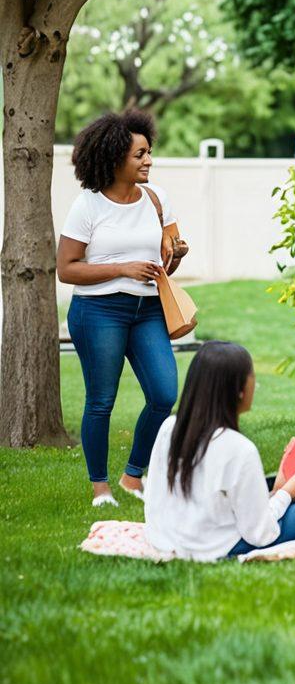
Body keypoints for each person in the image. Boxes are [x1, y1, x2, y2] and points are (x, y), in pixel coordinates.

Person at [58, 110, 182, 507]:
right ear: (114, 159)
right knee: (101, 400)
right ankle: (100, 488)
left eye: (149, 152)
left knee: (164, 394)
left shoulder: (157, 198)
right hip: (98, 313)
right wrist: (122, 268)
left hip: (148, 310)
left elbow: (167, 262)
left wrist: (176, 254)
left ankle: (132, 477)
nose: (148, 161)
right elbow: (66, 269)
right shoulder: (88, 206)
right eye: (139, 155)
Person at [145, 341, 295, 560]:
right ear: (238, 391)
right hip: (220, 546)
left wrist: (276, 491)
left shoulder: (170, 427)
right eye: (252, 377)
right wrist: (285, 494)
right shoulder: (239, 449)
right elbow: (260, 534)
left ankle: (278, 488)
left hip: (168, 538)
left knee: (283, 484)